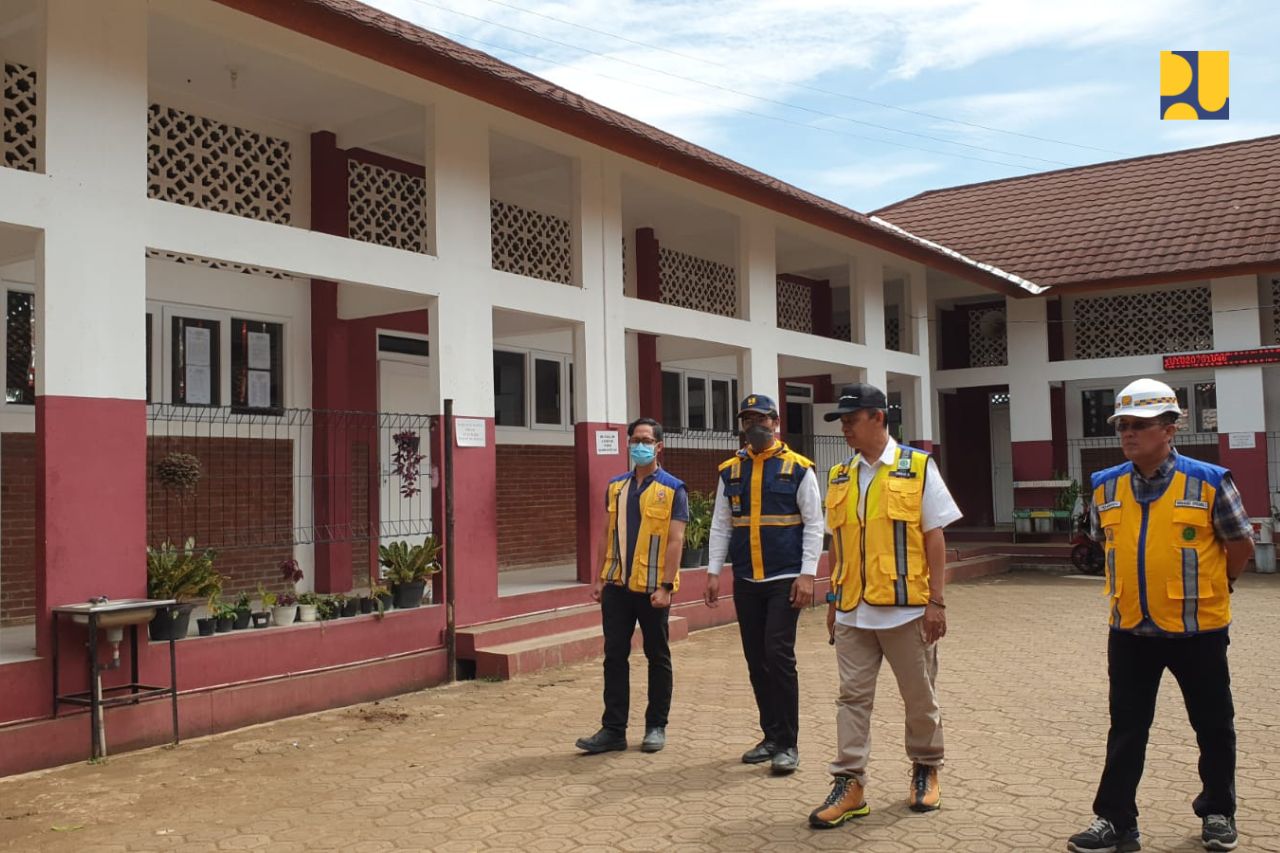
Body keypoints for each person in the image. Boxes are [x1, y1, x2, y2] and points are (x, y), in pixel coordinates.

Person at [1068, 378, 1254, 853]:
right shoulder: (1105, 485)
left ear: (1170, 429)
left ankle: (1218, 812)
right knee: (1126, 730)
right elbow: (1104, 540)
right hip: (1131, 630)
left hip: (1199, 631)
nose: (1128, 433)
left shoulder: (1209, 481)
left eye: (1140, 424)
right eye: (1123, 426)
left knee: (1213, 726)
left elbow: (1240, 544)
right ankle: (1116, 821)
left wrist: (1223, 584)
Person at [808, 383, 961, 829]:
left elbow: (935, 536)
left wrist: (937, 601)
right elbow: (837, 543)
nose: (845, 429)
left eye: (851, 420)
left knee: (919, 697)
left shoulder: (917, 467)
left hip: (906, 609)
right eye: (841, 422)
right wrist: (833, 598)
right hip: (853, 610)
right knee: (851, 699)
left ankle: (926, 768)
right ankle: (849, 783)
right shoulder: (841, 475)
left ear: (878, 417)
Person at [704, 393, 823, 775]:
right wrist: (713, 571)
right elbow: (721, 523)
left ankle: (788, 743)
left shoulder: (799, 468)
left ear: (776, 423)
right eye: (748, 421)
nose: (755, 426)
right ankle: (770, 736)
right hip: (746, 578)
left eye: (761, 419)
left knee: (778, 654)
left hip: (784, 577)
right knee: (756, 658)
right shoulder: (730, 471)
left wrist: (808, 574)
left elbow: (815, 524)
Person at [576, 417, 688, 755]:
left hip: (653, 589)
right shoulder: (616, 487)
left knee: (657, 656)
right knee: (614, 656)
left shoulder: (673, 488)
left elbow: (676, 540)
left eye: (646, 440)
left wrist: (666, 586)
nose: (639, 445)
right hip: (617, 586)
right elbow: (605, 534)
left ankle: (656, 726)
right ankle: (613, 729)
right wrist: (599, 578)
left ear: (659, 446)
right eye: (635, 440)